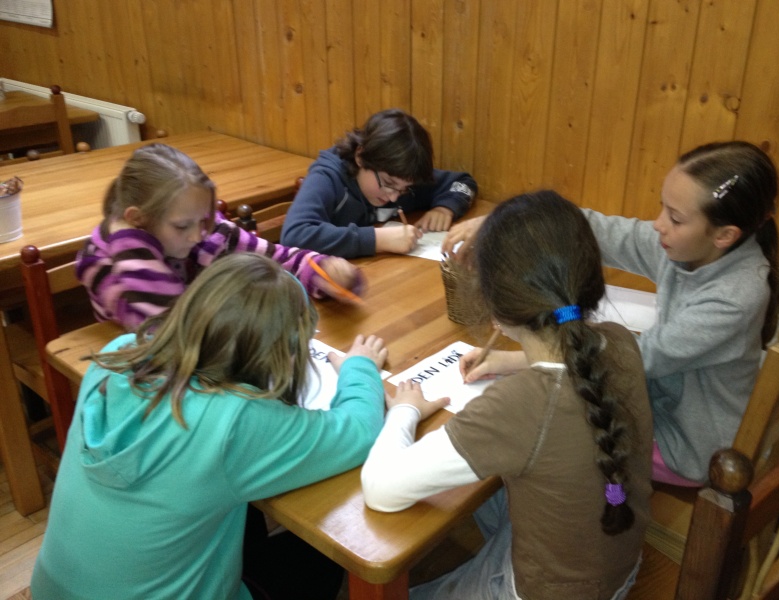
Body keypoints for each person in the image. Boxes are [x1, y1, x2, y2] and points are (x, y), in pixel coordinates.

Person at [31, 253, 388, 600]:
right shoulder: (235, 420)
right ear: (285, 353)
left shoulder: (121, 352)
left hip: (52, 589)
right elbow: (359, 431)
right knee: (322, 557)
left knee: (235, 507)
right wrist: (359, 367)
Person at [442, 141, 779, 485]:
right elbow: (594, 229)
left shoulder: (734, 299)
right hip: (658, 403)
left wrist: (519, 360)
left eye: (675, 218)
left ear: (725, 235)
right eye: (663, 207)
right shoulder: (694, 246)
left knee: (537, 438)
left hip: (688, 448)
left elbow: (633, 358)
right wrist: (504, 223)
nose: (658, 224)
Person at [362, 192, 653, 599]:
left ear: (494, 305)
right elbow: (573, 368)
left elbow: (380, 489)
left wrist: (404, 411)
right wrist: (513, 360)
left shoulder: (518, 406)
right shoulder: (621, 341)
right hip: (614, 563)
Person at [76, 143, 364, 331]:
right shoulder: (102, 263)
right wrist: (130, 239)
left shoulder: (206, 231)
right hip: (146, 384)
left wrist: (322, 270)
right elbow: (165, 328)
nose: (196, 236)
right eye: (182, 226)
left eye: (203, 219)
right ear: (137, 219)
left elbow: (276, 258)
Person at [280, 108, 478, 258]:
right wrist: (376, 240)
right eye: (388, 183)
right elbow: (294, 235)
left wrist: (445, 208)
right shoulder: (327, 178)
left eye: (404, 189)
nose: (393, 196)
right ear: (360, 156)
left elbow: (464, 182)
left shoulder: (402, 176)